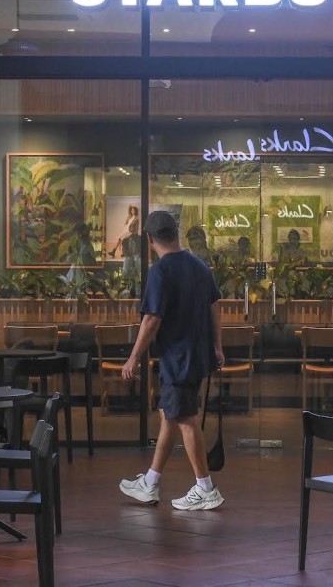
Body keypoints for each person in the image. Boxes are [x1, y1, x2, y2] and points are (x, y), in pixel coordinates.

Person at [118, 210, 226, 511]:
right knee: (170, 414)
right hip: (197, 354)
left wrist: (133, 358)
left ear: (150, 239)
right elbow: (213, 309)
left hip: (178, 357)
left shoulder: (160, 271)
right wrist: (217, 347)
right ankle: (150, 482)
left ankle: (205, 487)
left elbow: (152, 319)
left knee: (186, 420)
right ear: (176, 234)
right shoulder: (199, 266)